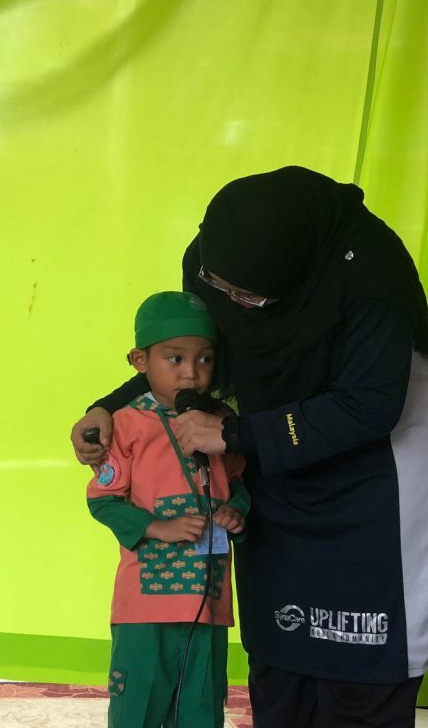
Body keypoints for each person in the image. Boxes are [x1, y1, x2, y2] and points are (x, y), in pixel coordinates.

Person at [72, 166, 428, 728]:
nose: (230, 302)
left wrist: (238, 435)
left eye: (248, 297)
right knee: (283, 655)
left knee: (363, 668)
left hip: (382, 472)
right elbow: (193, 359)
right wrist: (108, 406)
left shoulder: (371, 271)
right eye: (223, 289)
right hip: (275, 460)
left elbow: (370, 405)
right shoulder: (211, 261)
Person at [86, 291, 251, 728]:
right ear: (140, 361)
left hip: (209, 602)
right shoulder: (125, 424)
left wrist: (235, 511)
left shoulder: (223, 422)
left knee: (202, 710)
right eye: (174, 359)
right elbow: (102, 499)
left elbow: (237, 482)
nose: (191, 373)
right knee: (137, 710)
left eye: (205, 360)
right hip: (145, 609)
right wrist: (159, 527)